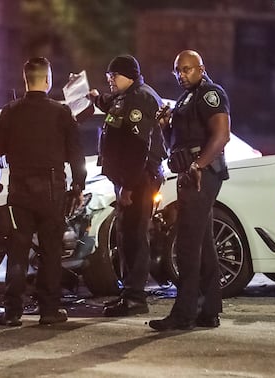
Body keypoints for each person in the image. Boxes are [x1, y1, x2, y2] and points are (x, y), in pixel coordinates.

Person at [0, 57, 86, 327]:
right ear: (48, 80)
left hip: (20, 190)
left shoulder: (10, 111)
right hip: (52, 190)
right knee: (51, 253)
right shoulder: (61, 112)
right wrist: (78, 185)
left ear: (25, 80)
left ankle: (12, 312)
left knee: (17, 251)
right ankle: (49, 310)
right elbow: (76, 154)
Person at [149, 50, 230, 331]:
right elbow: (178, 142)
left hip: (202, 174)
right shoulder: (185, 98)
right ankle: (208, 310)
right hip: (190, 172)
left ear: (201, 68)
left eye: (187, 70)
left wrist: (197, 165)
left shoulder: (210, 93)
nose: (182, 75)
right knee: (204, 244)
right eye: (178, 71)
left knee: (186, 245)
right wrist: (164, 126)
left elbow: (222, 135)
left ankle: (184, 314)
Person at [88, 54, 167, 317]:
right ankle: (128, 294)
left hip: (139, 180)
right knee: (126, 236)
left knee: (135, 237)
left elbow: (138, 149)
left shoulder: (140, 98)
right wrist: (95, 98)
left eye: (114, 76)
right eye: (108, 76)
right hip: (129, 179)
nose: (110, 80)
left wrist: (128, 187)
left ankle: (135, 297)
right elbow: (109, 103)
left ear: (129, 76)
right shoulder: (125, 96)